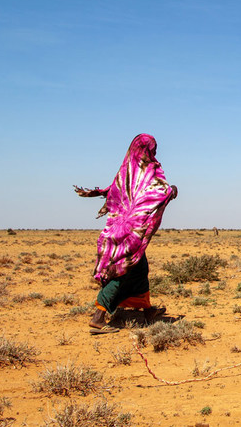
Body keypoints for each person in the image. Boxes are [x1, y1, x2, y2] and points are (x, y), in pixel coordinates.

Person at [75, 134, 178, 334]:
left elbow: (115, 192)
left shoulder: (126, 172)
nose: (154, 153)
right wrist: (171, 190)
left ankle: (147, 310)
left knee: (140, 269)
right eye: (153, 149)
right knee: (123, 270)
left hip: (117, 230)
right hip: (132, 233)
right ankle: (98, 317)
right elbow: (154, 193)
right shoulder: (145, 171)